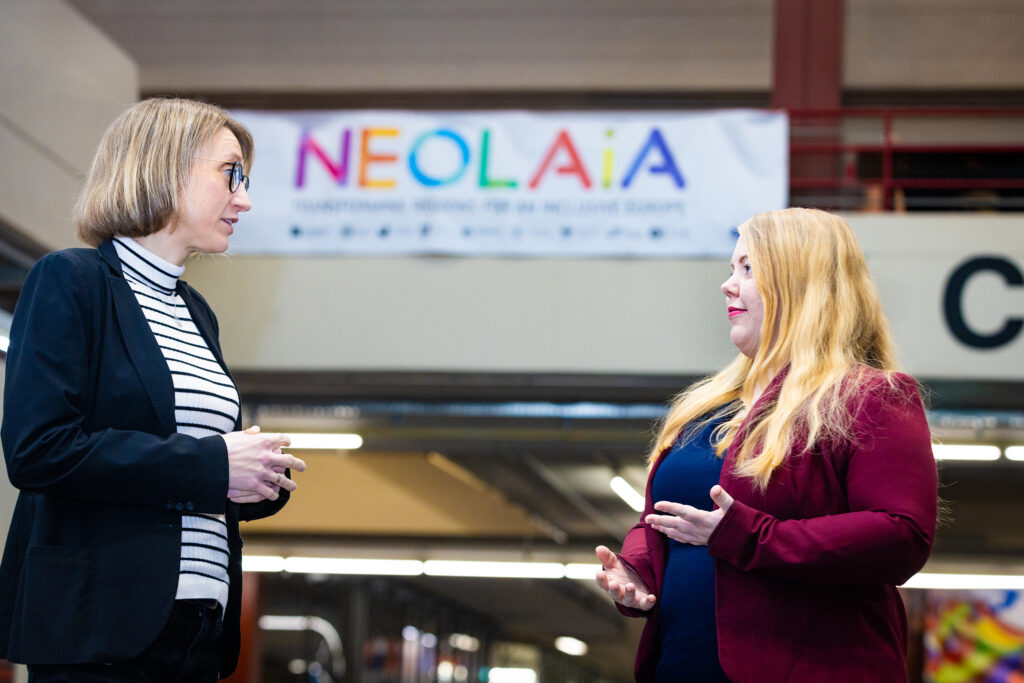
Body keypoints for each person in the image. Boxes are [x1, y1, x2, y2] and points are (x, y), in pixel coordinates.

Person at [0, 98, 307, 682]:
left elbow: (183, 465)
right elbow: (38, 449)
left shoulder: (197, 312)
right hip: (103, 629)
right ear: (165, 168)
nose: (244, 199)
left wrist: (253, 480)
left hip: (198, 628)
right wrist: (214, 464)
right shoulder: (72, 281)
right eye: (231, 174)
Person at [595, 208, 938, 682]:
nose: (727, 285)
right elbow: (666, 521)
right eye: (732, 268)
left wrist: (751, 538)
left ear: (801, 284)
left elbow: (901, 535)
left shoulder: (870, 395)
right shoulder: (708, 406)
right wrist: (637, 569)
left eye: (748, 269)